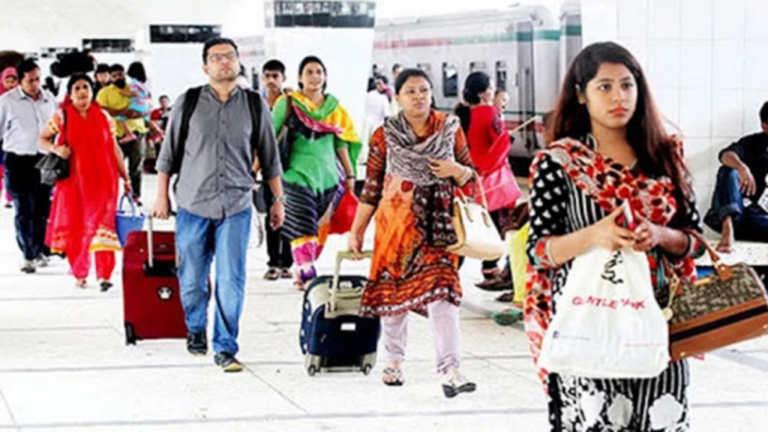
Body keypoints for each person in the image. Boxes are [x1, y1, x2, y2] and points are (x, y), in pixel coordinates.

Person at [525, 42, 704, 430]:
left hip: (659, 323)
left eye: (626, 85)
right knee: (600, 421)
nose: (618, 97)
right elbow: (538, 251)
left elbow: (694, 240)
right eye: (604, 87)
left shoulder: (666, 156)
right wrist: (595, 235)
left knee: (664, 419)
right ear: (581, 95)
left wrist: (660, 235)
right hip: (591, 323)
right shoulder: (559, 163)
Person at [153, 37, 284, 372]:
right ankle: (196, 326)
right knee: (192, 278)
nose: (224, 62)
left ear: (239, 62)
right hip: (193, 204)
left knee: (231, 279)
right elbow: (168, 154)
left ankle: (225, 346)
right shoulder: (188, 102)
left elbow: (270, 157)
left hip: (236, 205)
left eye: (230, 56)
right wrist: (161, 194)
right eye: (216, 57)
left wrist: (278, 200)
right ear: (205, 66)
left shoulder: (254, 104)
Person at [349, 68, 477, 398]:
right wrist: (357, 229)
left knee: (444, 294)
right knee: (394, 298)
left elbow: (472, 177)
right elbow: (371, 188)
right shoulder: (384, 135)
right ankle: (393, 362)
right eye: (410, 91)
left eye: (424, 90)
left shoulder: (450, 128)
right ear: (398, 97)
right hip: (394, 228)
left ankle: (451, 369)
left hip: (438, 228)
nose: (418, 96)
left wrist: (456, 170)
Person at [272, 55, 362, 290]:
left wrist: (350, 175)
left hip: (328, 179)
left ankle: (300, 268)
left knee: (320, 228)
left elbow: (341, 144)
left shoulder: (335, 110)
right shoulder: (288, 103)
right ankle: (308, 273)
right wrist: (256, 170)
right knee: (303, 225)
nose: (315, 76)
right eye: (309, 72)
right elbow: (269, 137)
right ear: (300, 78)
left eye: (319, 72)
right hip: (295, 176)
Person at [39, 74, 132, 289]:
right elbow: (42, 139)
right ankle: (80, 272)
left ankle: (104, 275)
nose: (82, 91)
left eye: (86, 87)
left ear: (92, 91)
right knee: (78, 225)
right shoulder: (62, 116)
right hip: (74, 183)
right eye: (77, 88)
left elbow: (115, 149)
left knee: (103, 224)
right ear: (70, 94)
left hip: (104, 181)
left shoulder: (104, 116)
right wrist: (56, 149)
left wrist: (126, 178)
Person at [454, 71, 521, 289]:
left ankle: (451, 272)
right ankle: (490, 268)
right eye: (491, 88)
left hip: (466, 180)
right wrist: (508, 139)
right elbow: (499, 145)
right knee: (493, 225)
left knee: (465, 226)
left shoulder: (462, 114)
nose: (493, 92)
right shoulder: (490, 112)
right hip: (490, 183)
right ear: (483, 94)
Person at [0, 59, 58, 273]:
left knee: (42, 208)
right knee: (24, 208)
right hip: (17, 161)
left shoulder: (49, 99)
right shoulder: (7, 102)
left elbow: (58, 127)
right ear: (20, 81)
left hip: (44, 160)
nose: (35, 84)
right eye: (30, 80)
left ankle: (41, 248)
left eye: (38, 79)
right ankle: (28, 254)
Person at [704, 102, 768, 252]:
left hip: (762, 220)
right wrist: (741, 167)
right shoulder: (753, 143)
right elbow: (725, 155)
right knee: (728, 170)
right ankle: (727, 229)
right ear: (765, 126)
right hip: (740, 212)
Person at [259, 59, 293, 280]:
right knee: (271, 214)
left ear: (283, 78)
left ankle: (287, 263)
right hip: (267, 168)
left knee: (289, 214)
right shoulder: (258, 104)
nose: (271, 81)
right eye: (268, 76)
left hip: (289, 168)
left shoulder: (290, 102)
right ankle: (273, 262)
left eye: (275, 76)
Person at [97, 63, 148, 204]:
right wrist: (121, 112)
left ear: (124, 74)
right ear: (111, 77)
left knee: (136, 167)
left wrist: (134, 113)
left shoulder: (134, 87)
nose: (118, 77)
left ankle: (135, 197)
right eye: (114, 76)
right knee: (111, 167)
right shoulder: (105, 92)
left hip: (137, 132)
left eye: (120, 74)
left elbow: (145, 107)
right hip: (115, 135)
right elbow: (100, 110)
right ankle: (109, 196)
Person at [0, 66, 19, 208]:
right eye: (8, 81)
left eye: (13, 81)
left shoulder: (21, 98)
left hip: (14, 139)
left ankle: (10, 197)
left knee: (11, 169)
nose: (10, 84)